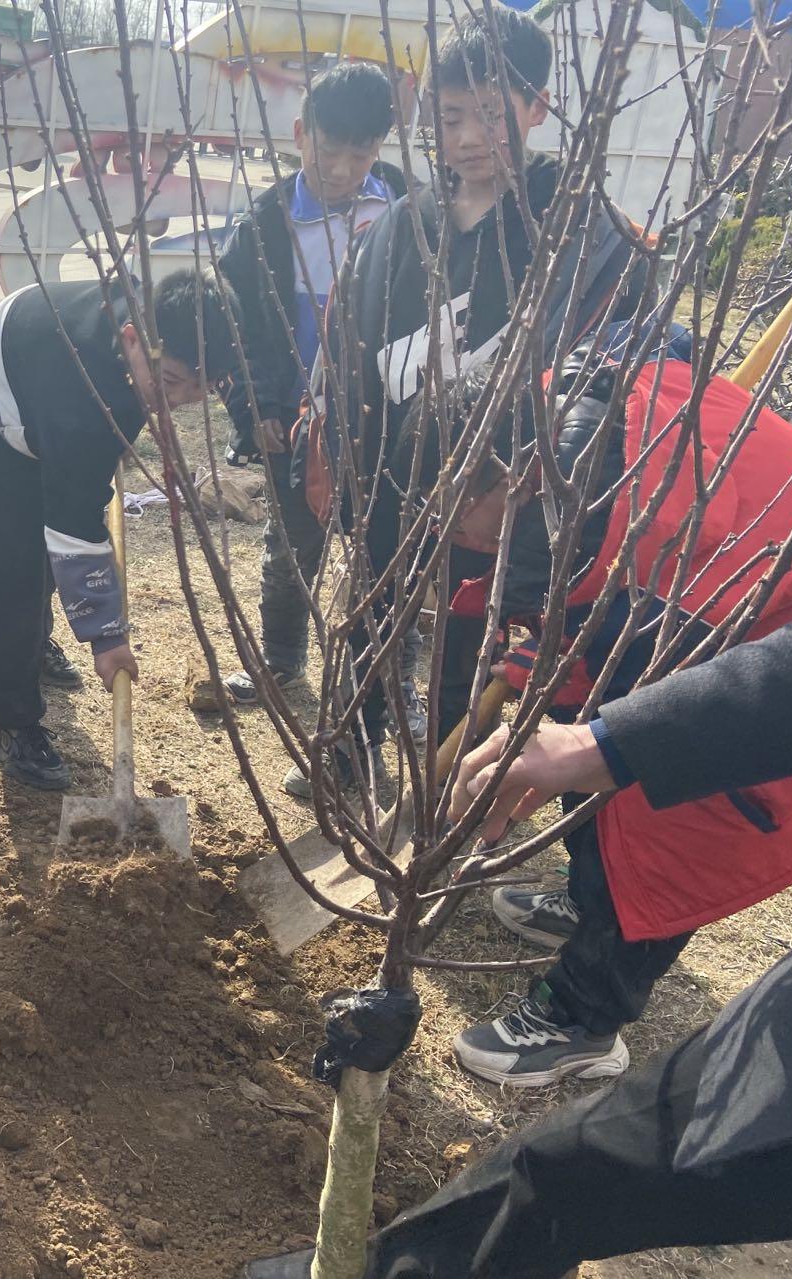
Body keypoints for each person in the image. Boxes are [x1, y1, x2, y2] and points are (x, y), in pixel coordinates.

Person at [244, 586, 792, 1279]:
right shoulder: (607, 501)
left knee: (659, 865)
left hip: (749, 746)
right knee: (565, 1166)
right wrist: (608, 733)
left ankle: (585, 1020)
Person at [429, 350, 792, 1087]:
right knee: (582, 724)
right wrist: (538, 665)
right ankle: (590, 895)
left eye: (471, 517)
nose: (473, 542)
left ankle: (583, 1017)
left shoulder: (634, 506)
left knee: (665, 796)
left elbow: (643, 667)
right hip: (719, 598)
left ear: (513, 474)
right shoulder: (578, 425)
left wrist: (579, 710)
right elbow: (599, 615)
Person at [290, 9, 645, 793]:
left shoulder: (579, 230)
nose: (470, 136)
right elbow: (350, 338)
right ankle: (350, 745)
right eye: (452, 116)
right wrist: (343, 447)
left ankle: (449, 784)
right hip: (394, 463)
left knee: (470, 637)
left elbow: (606, 368)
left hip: (498, 483)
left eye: (492, 112)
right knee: (371, 613)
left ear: (537, 109)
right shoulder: (405, 225)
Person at [0, 268, 239, 789]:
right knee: (10, 577)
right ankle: (10, 725)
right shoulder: (81, 399)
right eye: (172, 383)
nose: (181, 400)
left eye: (201, 389)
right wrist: (106, 637)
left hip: (29, 394)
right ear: (132, 340)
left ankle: (33, 645)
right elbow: (74, 524)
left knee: (41, 552)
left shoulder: (158, 325)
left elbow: (75, 503)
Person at [214, 61, 411, 721]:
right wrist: (256, 410)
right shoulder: (264, 226)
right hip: (296, 425)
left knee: (391, 554)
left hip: (385, 423)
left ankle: (392, 678)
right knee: (292, 548)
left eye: (362, 155)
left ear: (381, 148)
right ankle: (279, 661)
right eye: (330, 152)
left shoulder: (407, 210)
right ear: (301, 134)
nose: (344, 170)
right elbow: (229, 329)